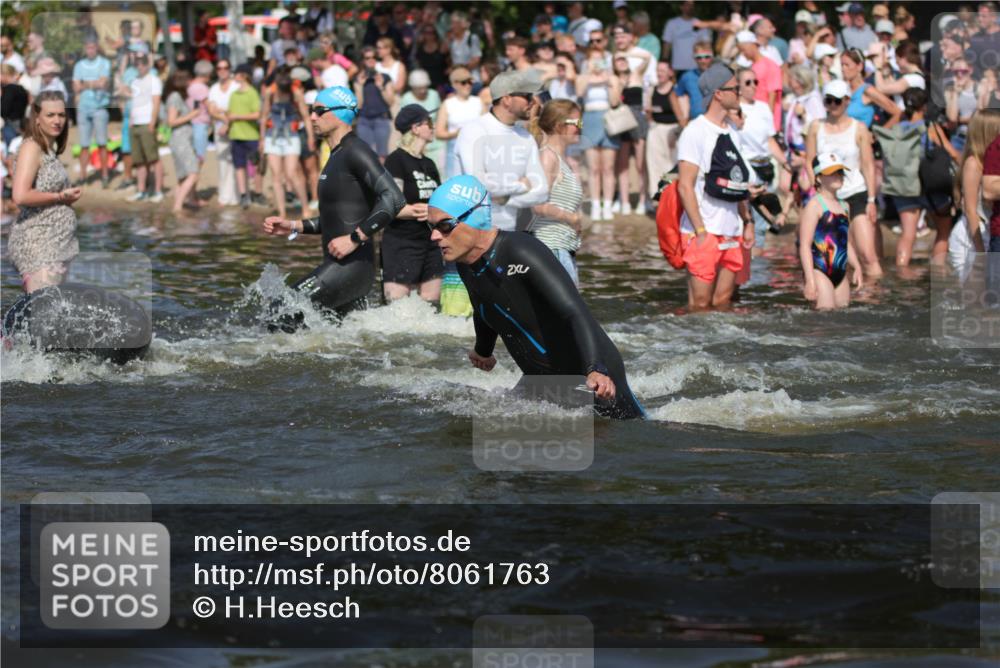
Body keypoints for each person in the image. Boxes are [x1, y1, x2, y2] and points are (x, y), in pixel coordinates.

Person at [426, 174, 645, 420]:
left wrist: (596, 369)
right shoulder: (466, 263)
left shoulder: (520, 249)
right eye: (431, 227)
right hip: (543, 382)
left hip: (592, 376)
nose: (435, 236)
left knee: (627, 439)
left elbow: (574, 310)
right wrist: (483, 350)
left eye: (444, 225)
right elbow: (484, 304)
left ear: (474, 217)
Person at [261, 86, 404, 324]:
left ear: (342, 114)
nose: (312, 117)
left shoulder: (355, 150)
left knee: (280, 311)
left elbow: (394, 198)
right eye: (310, 111)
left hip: (351, 267)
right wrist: (293, 225)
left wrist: (354, 239)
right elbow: (339, 217)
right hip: (341, 267)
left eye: (319, 111)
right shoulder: (336, 155)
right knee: (329, 340)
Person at [676, 63, 755, 310]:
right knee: (699, 305)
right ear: (718, 94)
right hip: (705, 230)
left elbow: (738, 181)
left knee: (722, 303)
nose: (740, 92)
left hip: (732, 229)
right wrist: (700, 231)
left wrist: (748, 221)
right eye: (735, 88)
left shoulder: (733, 132)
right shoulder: (695, 131)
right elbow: (685, 187)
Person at [454, 68, 548, 233]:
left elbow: (541, 191)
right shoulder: (474, 130)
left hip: (509, 232)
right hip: (470, 232)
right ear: (506, 100)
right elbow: (478, 185)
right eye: (527, 96)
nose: (533, 102)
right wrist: (521, 186)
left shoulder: (526, 137)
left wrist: (505, 200)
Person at [805, 79, 882, 280]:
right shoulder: (815, 127)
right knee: (835, 256)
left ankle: (875, 301)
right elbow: (809, 161)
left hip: (855, 193)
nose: (832, 106)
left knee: (868, 254)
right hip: (827, 198)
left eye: (836, 101)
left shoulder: (859, 128)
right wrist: (817, 191)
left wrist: (872, 199)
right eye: (827, 101)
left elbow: (867, 164)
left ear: (847, 100)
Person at [9, 91, 82, 294]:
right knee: (43, 315)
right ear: (37, 117)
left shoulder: (49, 148)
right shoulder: (32, 147)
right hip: (39, 243)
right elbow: (20, 195)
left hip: (56, 243)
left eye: (61, 115)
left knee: (49, 315)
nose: (57, 120)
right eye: (50, 115)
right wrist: (60, 197)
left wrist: (65, 198)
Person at [889, 89, 961, 267]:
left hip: (904, 186)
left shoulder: (897, 128)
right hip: (930, 186)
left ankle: (901, 273)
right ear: (925, 106)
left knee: (908, 234)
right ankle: (938, 272)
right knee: (943, 231)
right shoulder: (930, 128)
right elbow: (953, 154)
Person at [381, 104, 443, 302]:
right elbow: (392, 206)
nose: (433, 128)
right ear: (415, 128)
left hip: (431, 242)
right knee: (398, 308)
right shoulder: (396, 161)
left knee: (431, 306)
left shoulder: (429, 164)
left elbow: (439, 201)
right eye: (429, 123)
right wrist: (425, 210)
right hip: (402, 241)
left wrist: (435, 211)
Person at [528, 99, 584, 285]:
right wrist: (571, 218)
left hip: (564, 248)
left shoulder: (564, 160)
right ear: (559, 125)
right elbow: (537, 204)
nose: (580, 128)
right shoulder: (548, 157)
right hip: (551, 249)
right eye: (577, 123)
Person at [798, 152, 863, 309]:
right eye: (832, 173)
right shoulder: (815, 205)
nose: (838, 176)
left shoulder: (845, 206)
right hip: (819, 271)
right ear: (819, 178)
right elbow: (805, 245)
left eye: (840, 172)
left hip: (840, 273)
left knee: (841, 317)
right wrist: (810, 279)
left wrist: (857, 266)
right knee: (824, 315)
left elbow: (845, 241)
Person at [577, 29, 621, 221]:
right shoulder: (583, 75)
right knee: (593, 167)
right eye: (593, 59)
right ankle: (595, 204)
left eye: (600, 60)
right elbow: (580, 92)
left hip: (608, 117)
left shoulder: (612, 78)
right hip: (590, 116)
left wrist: (608, 79)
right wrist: (589, 73)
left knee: (608, 167)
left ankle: (608, 204)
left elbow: (614, 102)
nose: (596, 64)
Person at [260, 67, 316, 220]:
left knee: (291, 173)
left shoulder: (296, 93)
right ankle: (282, 212)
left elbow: (305, 117)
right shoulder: (270, 93)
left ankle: (305, 207)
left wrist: (311, 137)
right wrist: (262, 139)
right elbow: (264, 116)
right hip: (273, 137)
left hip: (291, 136)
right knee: (276, 176)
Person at [72, 39, 113, 188]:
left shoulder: (104, 63)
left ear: (97, 48)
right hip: (83, 107)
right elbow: (76, 88)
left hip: (99, 107)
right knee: (84, 144)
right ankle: (83, 176)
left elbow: (103, 83)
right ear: (85, 48)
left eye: (92, 47)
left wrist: (84, 84)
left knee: (102, 143)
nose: (90, 50)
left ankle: (104, 175)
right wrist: (93, 84)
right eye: (88, 47)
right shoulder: (79, 65)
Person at [123, 53, 163, 203]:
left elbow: (156, 102)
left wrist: (153, 122)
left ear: (147, 65)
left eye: (142, 63)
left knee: (153, 158)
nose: (140, 66)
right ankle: (142, 190)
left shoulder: (154, 80)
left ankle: (158, 190)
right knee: (139, 160)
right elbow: (134, 101)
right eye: (137, 64)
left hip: (147, 123)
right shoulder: (135, 81)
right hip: (135, 124)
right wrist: (131, 121)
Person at [163, 70, 202, 213]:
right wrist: (192, 114)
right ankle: (178, 207)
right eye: (187, 80)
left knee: (183, 176)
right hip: (180, 139)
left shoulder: (177, 96)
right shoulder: (174, 97)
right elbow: (171, 121)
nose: (189, 83)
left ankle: (183, 204)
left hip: (180, 139)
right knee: (193, 173)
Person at [645, 61, 684, 202]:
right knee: (655, 165)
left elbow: (682, 113)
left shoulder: (676, 90)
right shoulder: (652, 89)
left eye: (663, 70)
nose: (659, 73)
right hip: (656, 129)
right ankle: (657, 197)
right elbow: (648, 110)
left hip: (674, 130)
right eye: (658, 70)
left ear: (670, 73)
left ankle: (673, 197)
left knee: (672, 164)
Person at [225, 63, 262, 209]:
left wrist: (237, 117)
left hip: (251, 135)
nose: (234, 76)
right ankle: (243, 195)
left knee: (256, 165)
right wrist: (227, 124)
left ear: (244, 75)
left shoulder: (252, 93)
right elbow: (230, 114)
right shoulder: (233, 94)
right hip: (235, 135)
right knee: (239, 166)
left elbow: (257, 114)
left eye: (237, 73)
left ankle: (258, 193)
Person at [436, 67, 484, 179]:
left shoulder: (478, 102)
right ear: (455, 84)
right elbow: (439, 133)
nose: (468, 85)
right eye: (464, 82)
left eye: (470, 82)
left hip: (476, 150)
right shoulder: (448, 104)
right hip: (454, 151)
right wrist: (456, 133)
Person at [354, 46, 396, 161]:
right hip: (364, 121)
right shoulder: (358, 79)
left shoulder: (385, 77)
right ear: (363, 60)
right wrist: (360, 86)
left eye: (374, 57)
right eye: (367, 58)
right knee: (366, 156)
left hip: (381, 119)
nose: (371, 60)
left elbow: (391, 102)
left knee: (382, 156)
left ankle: (381, 179)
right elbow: (359, 105)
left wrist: (381, 87)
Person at [736, 31, 783, 131]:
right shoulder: (752, 67)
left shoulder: (770, 66)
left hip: (766, 123)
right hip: (754, 120)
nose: (743, 54)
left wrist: (767, 122)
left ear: (751, 45)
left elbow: (772, 96)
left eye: (743, 50)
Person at [207, 58, 238, 206]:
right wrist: (224, 117)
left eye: (225, 67)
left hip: (236, 128)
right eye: (219, 68)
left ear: (229, 69)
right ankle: (225, 196)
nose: (222, 70)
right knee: (223, 163)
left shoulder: (236, 86)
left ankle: (236, 195)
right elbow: (211, 110)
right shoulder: (214, 88)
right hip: (220, 129)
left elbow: (238, 109)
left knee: (236, 162)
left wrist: (224, 115)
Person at [400, 69, 444, 173]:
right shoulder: (406, 98)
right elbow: (406, 125)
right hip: (416, 142)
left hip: (436, 142)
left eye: (425, 87)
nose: (423, 91)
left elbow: (439, 117)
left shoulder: (434, 94)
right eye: (419, 88)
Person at [661, 0, 711, 81]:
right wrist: (665, 63)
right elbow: (667, 45)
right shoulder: (672, 24)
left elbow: (707, 47)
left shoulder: (700, 24)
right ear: (681, 7)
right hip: (677, 68)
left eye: (692, 5)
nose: (691, 7)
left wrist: (706, 65)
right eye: (688, 4)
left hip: (696, 68)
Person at [675, 41, 714, 124]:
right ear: (694, 58)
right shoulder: (687, 76)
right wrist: (681, 118)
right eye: (699, 57)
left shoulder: (722, 75)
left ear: (712, 57)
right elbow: (676, 95)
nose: (703, 60)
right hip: (695, 122)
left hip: (716, 122)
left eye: (707, 57)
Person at [188, 60, 213, 166]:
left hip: (190, 123)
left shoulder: (189, 85)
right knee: (199, 157)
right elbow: (210, 107)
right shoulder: (202, 88)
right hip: (200, 123)